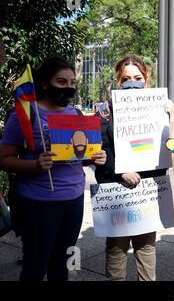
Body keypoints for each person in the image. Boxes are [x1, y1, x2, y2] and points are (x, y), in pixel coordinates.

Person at [0, 57, 107, 281]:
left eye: (72, 83)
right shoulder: (26, 117)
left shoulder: (76, 115)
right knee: (35, 268)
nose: (68, 88)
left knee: (63, 265)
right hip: (38, 204)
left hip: (74, 200)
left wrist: (95, 157)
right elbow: (4, 158)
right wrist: (34, 164)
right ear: (46, 84)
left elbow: (78, 156)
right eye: (61, 82)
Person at [94, 55, 164, 281]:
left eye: (137, 77)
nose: (131, 82)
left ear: (146, 79)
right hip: (116, 190)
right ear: (118, 81)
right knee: (116, 251)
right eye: (126, 78)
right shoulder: (105, 112)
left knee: (146, 250)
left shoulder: (158, 109)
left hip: (146, 191)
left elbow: (165, 149)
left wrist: (172, 116)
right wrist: (121, 171)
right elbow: (102, 150)